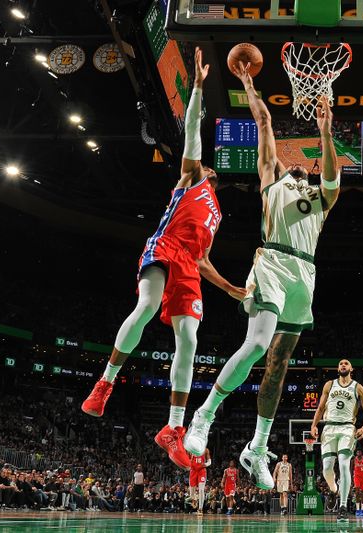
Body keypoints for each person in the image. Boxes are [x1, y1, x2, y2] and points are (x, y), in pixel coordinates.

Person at [80, 47, 246, 472]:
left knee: (189, 341)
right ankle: (106, 383)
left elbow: (204, 260)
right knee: (147, 305)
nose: (204, 164)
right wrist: (196, 89)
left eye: (208, 166)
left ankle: (172, 428)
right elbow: (193, 132)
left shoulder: (217, 213)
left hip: (189, 264)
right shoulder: (189, 179)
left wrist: (230, 288)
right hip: (163, 247)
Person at [183, 57, 343, 492]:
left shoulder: (321, 199)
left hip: (304, 276)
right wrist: (249, 83)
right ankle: (204, 415)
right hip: (271, 261)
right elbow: (265, 122)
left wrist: (327, 132)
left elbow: (332, 175)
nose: (296, 166)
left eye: (302, 166)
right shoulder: (272, 181)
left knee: (279, 364)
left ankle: (256, 448)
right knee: (256, 344)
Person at [310, 359, 363, 519]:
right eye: (340, 364)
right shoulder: (329, 385)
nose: (343, 365)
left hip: (347, 428)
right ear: (338, 368)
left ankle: (343, 506)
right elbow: (320, 408)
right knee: (327, 469)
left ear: (351, 368)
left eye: (346, 363)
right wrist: (314, 425)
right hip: (329, 427)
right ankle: (333, 490)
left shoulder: (358, 387)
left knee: (344, 465)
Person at [189, 448, 210, 515]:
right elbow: (187, 459)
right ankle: (195, 502)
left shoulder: (205, 450)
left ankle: (200, 509)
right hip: (193, 471)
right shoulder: (190, 449)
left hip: (202, 471)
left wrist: (205, 464)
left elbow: (209, 461)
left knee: (201, 490)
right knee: (191, 494)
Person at [353, 450, 363, 516]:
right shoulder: (354, 459)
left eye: (359, 452)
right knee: (357, 492)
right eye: (357, 452)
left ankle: (362, 509)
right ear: (356, 453)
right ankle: (358, 509)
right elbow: (351, 469)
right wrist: (350, 476)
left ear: (361, 453)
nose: (358, 453)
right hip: (356, 477)